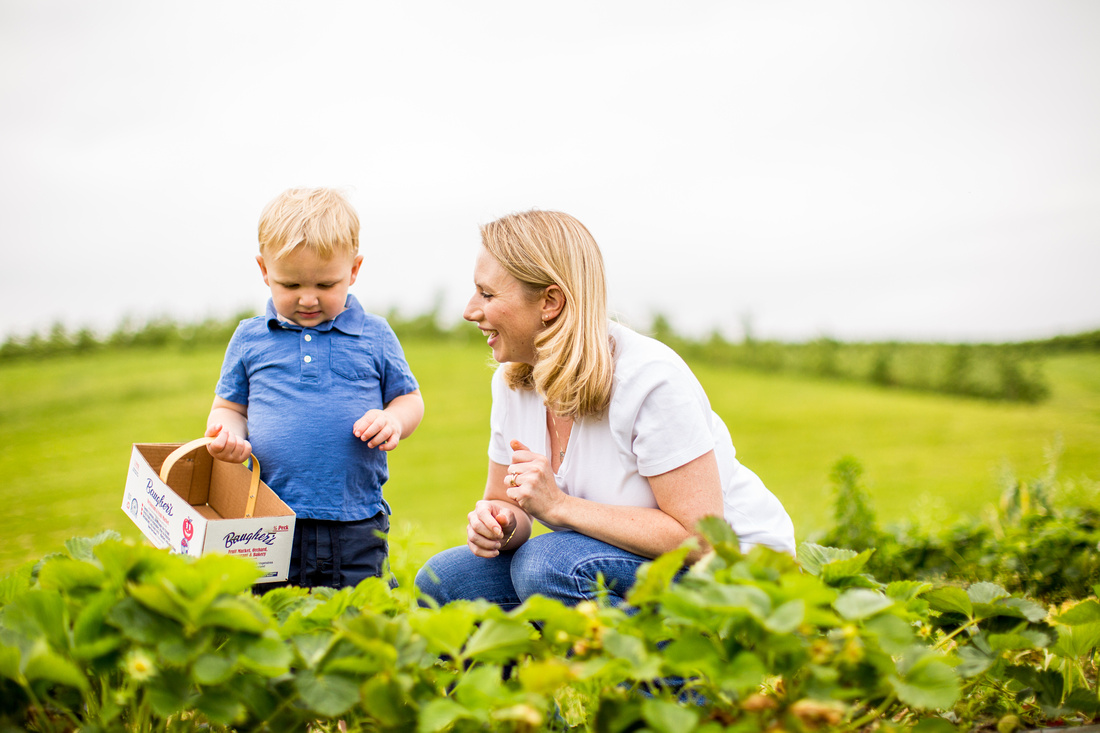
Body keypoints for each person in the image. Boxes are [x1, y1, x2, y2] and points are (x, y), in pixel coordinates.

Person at [415, 210, 794, 610]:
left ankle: (677, 668)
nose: (470, 310)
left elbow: (700, 539)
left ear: (550, 301)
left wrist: (561, 506)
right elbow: (506, 503)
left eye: (487, 294)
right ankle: (527, 668)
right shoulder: (512, 382)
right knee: (443, 581)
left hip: (734, 574)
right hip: (620, 560)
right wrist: (500, 525)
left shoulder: (649, 380)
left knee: (545, 565)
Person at [206, 187, 424, 590]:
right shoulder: (251, 338)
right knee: (277, 619)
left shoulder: (374, 334)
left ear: (354, 270)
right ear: (264, 270)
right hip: (268, 518)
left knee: (360, 617)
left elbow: (409, 398)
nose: (308, 299)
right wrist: (229, 437)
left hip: (356, 518)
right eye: (290, 285)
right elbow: (229, 408)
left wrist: (393, 419)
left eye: (325, 284)